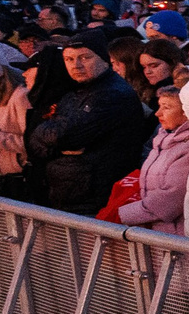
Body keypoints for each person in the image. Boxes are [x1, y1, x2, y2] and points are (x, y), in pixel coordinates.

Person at [29, 33, 152, 216]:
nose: (76, 65)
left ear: (104, 60)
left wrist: (53, 138)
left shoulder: (112, 94)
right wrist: (53, 140)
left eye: (85, 57)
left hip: (95, 197)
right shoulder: (77, 91)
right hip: (73, 192)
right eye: (69, 59)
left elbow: (64, 136)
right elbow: (34, 140)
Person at [109, 86, 189, 233]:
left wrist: (121, 214)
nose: (157, 113)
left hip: (175, 237)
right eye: (159, 106)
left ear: (187, 113)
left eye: (166, 108)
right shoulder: (162, 140)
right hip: (155, 231)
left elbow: (169, 201)